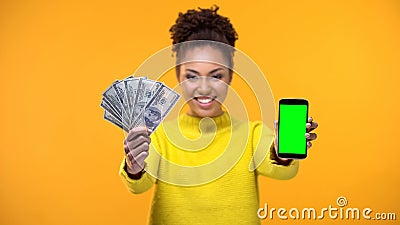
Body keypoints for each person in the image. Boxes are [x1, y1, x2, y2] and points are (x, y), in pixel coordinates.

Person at [119, 6, 318, 225]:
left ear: (231, 75)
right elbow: (138, 186)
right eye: (192, 77)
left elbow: (283, 172)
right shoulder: (160, 137)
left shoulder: (252, 135)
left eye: (216, 76)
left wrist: (282, 152)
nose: (204, 88)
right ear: (178, 75)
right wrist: (134, 166)